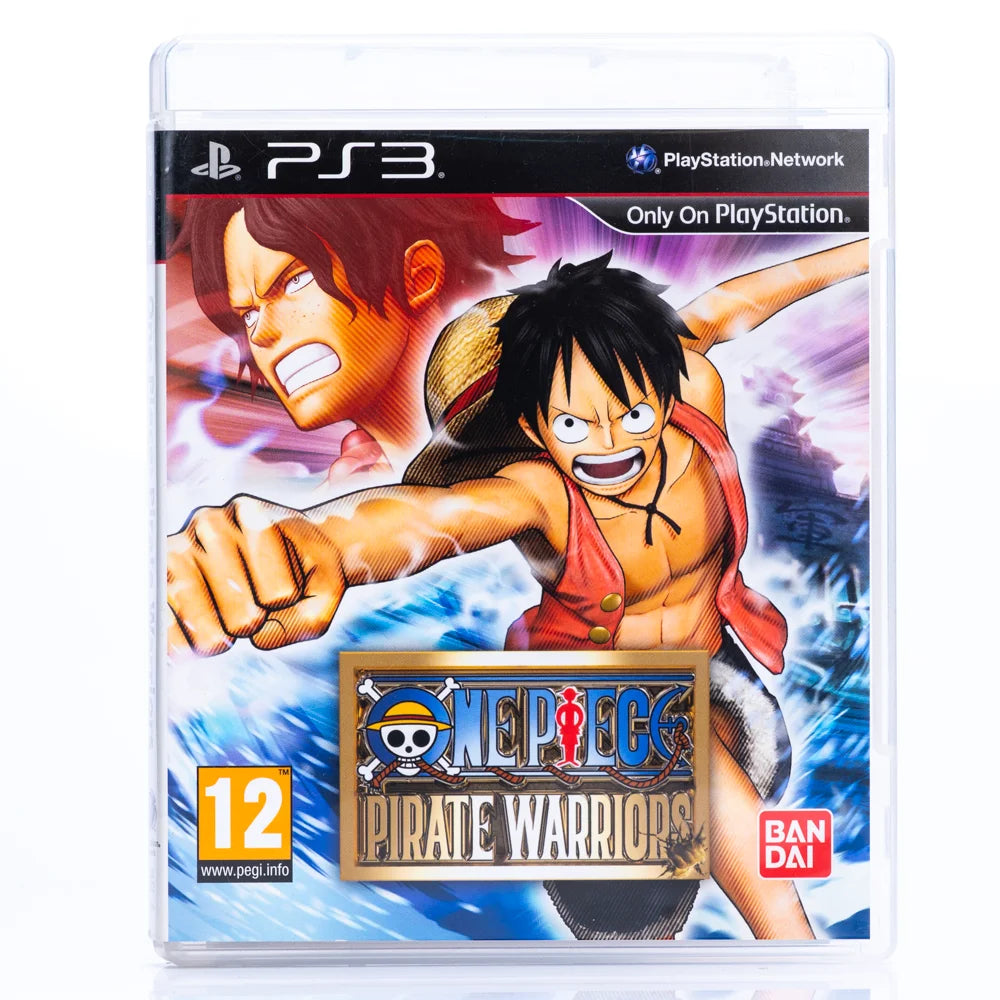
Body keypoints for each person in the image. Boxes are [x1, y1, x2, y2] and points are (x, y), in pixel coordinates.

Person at [165, 241, 868, 939]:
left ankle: (789, 954)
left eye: (631, 413)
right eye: (572, 425)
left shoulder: (694, 387)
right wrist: (308, 547)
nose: (609, 444)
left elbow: (754, 292)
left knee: (702, 758)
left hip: (724, 685)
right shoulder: (538, 494)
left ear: (662, 386)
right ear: (532, 427)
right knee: (632, 922)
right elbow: (422, 520)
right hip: (595, 730)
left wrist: (879, 246)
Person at [170, 196, 535, 475]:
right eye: (249, 314)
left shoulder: (541, 433)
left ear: (418, 276)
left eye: (295, 281)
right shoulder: (356, 485)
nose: (261, 334)